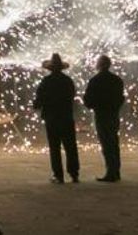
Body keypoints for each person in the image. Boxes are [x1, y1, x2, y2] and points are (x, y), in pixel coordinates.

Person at [34, 53, 80, 183]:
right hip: (66, 116)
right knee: (70, 146)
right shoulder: (67, 80)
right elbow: (72, 97)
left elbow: (39, 99)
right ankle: (74, 173)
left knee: (54, 147)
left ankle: (58, 175)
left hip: (52, 117)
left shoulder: (46, 82)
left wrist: (36, 106)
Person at [83, 55, 125, 182]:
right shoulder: (117, 80)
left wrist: (93, 106)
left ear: (99, 65)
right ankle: (116, 171)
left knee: (106, 143)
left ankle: (110, 172)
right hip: (113, 114)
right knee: (114, 142)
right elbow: (121, 98)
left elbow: (88, 99)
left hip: (101, 115)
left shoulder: (95, 80)